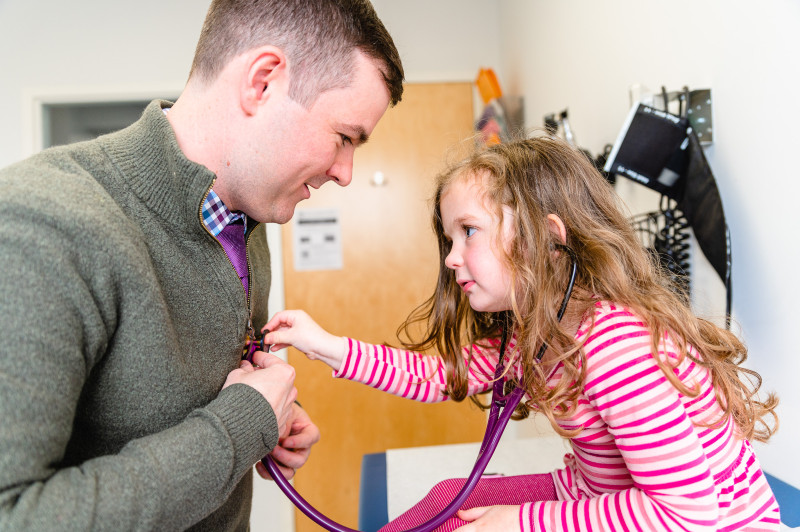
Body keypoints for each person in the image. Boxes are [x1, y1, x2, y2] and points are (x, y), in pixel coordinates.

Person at [0, 0, 403, 530]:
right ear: (263, 82)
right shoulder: (41, 223)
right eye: (345, 137)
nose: (346, 172)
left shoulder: (247, 226)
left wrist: (272, 420)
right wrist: (243, 423)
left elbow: (205, 399)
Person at [263, 136, 781, 531]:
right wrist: (322, 344)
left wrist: (520, 522)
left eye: (468, 231)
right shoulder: (542, 333)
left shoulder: (618, 346)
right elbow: (436, 375)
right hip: (593, 497)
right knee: (449, 501)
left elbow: (687, 515)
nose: (450, 257)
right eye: (449, 237)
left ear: (546, 240)